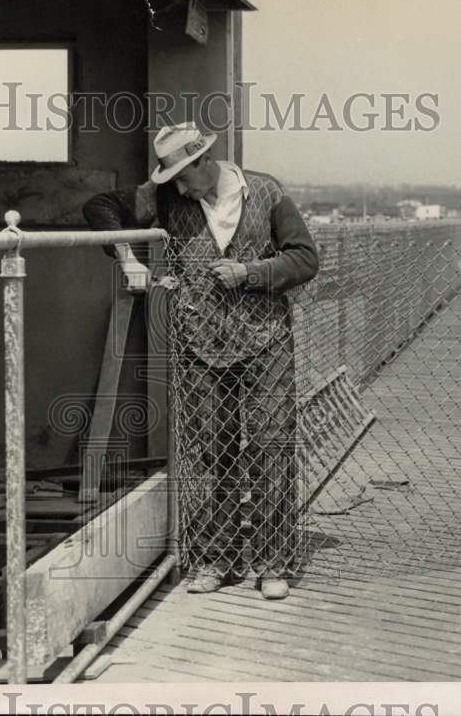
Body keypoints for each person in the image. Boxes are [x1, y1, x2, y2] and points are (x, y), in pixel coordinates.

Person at [83, 121, 319, 599]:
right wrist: (127, 256)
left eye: (183, 177)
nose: (178, 189)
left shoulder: (266, 193)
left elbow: (304, 259)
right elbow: (99, 207)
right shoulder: (168, 198)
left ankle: (273, 563)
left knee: (272, 446)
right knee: (212, 450)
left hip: (266, 341)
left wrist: (250, 272)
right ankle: (217, 558)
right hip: (201, 346)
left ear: (204, 162)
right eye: (171, 181)